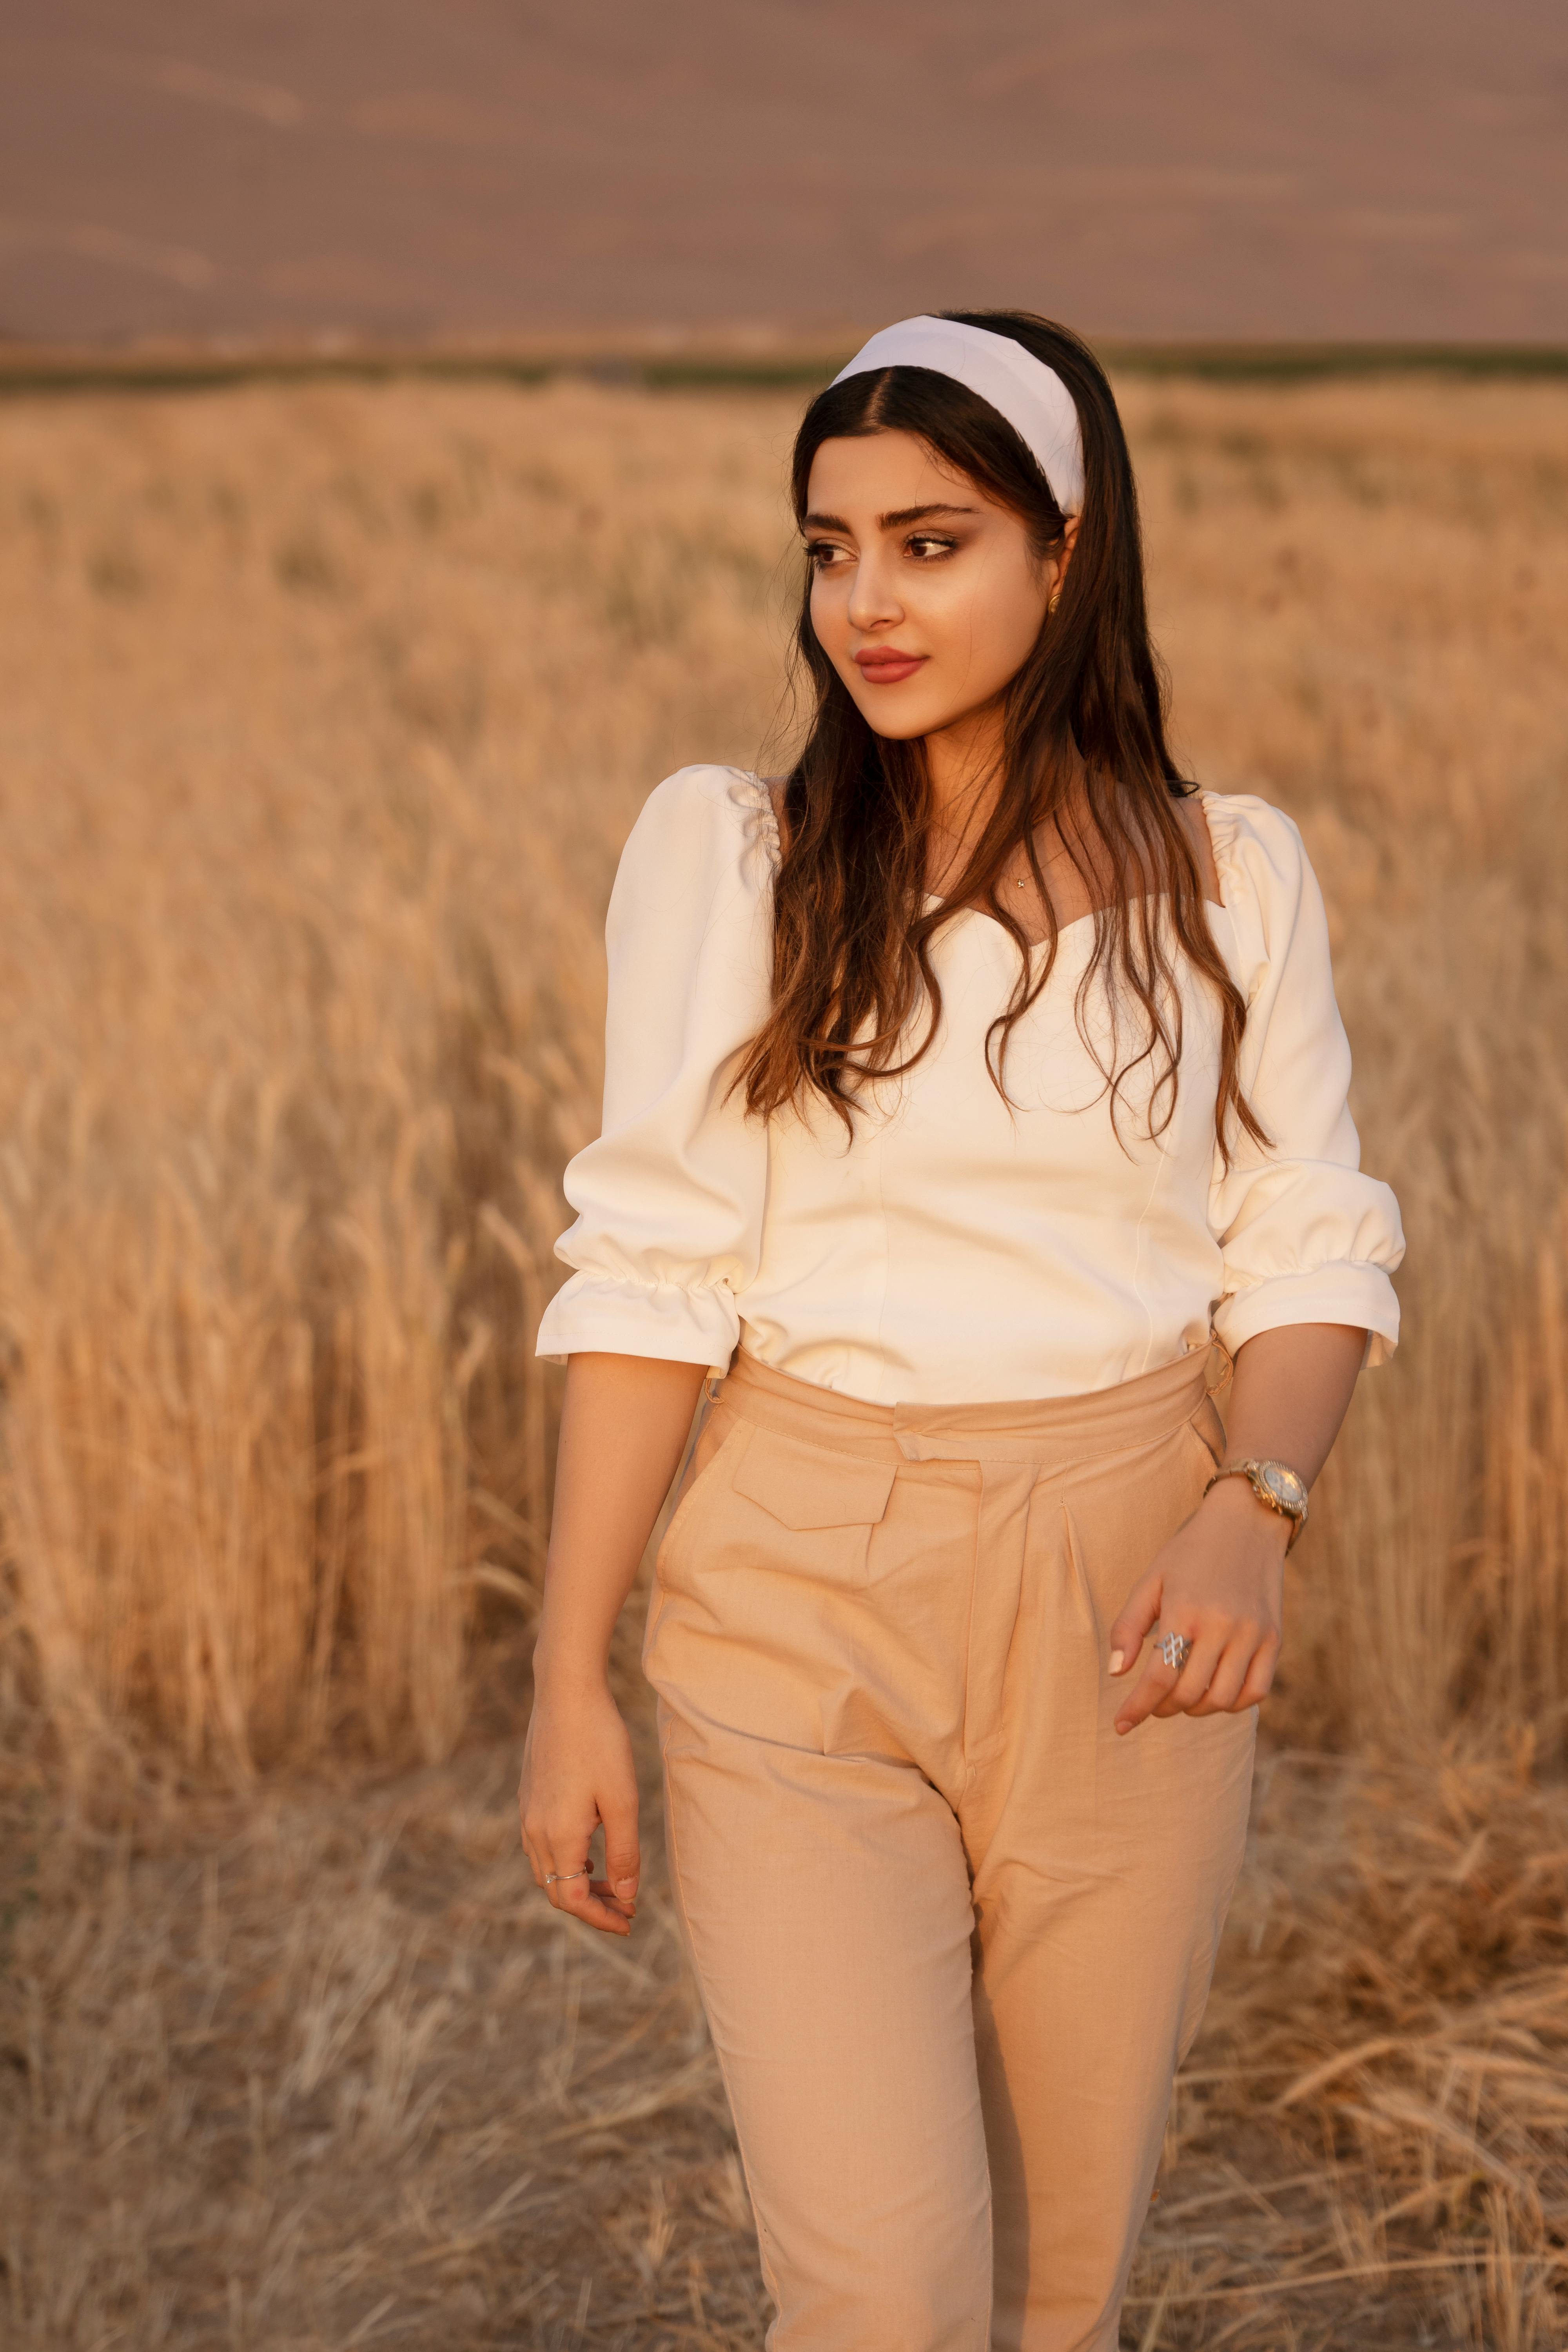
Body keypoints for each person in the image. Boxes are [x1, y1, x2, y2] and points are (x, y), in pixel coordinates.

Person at [521, 312, 1405, 2352]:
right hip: (794, 1592)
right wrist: (570, 1677)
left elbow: (1305, 1240)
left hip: (1129, 1601)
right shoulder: (736, 854)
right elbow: (652, 1268)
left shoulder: (1231, 878)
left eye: (930, 543)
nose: (865, 601)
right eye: (829, 548)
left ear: (1067, 551)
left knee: (1054, 2288)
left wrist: (1250, 1507)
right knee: (884, 2291)